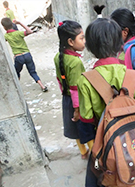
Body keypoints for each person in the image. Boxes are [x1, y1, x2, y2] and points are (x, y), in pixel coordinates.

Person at [78, 18, 135, 187]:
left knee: (107, 173)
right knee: (131, 164)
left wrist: (91, 146)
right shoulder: (132, 75)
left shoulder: (86, 79)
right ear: (120, 45)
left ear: (90, 47)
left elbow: (86, 117)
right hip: (132, 136)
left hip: (105, 140)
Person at [54, 20, 95, 159]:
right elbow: (76, 88)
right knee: (85, 128)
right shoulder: (75, 62)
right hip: (77, 102)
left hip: (66, 99)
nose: (84, 41)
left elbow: (60, 80)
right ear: (71, 42)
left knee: (75, 129)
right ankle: (96, 155)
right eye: (81, 38)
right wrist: (77, 109)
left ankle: (83, 153)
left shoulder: (58, 57)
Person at [1, 17, 48, 92]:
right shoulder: (19, 33)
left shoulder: (6, 36)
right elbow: (30, 31)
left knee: (16, 72)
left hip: (18, 57)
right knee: (32, 71)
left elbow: (2, 40)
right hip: (27, 55)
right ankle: (42, 86)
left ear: (4, 27)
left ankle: (18, 88)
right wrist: (19, 23)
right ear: (12, 24)